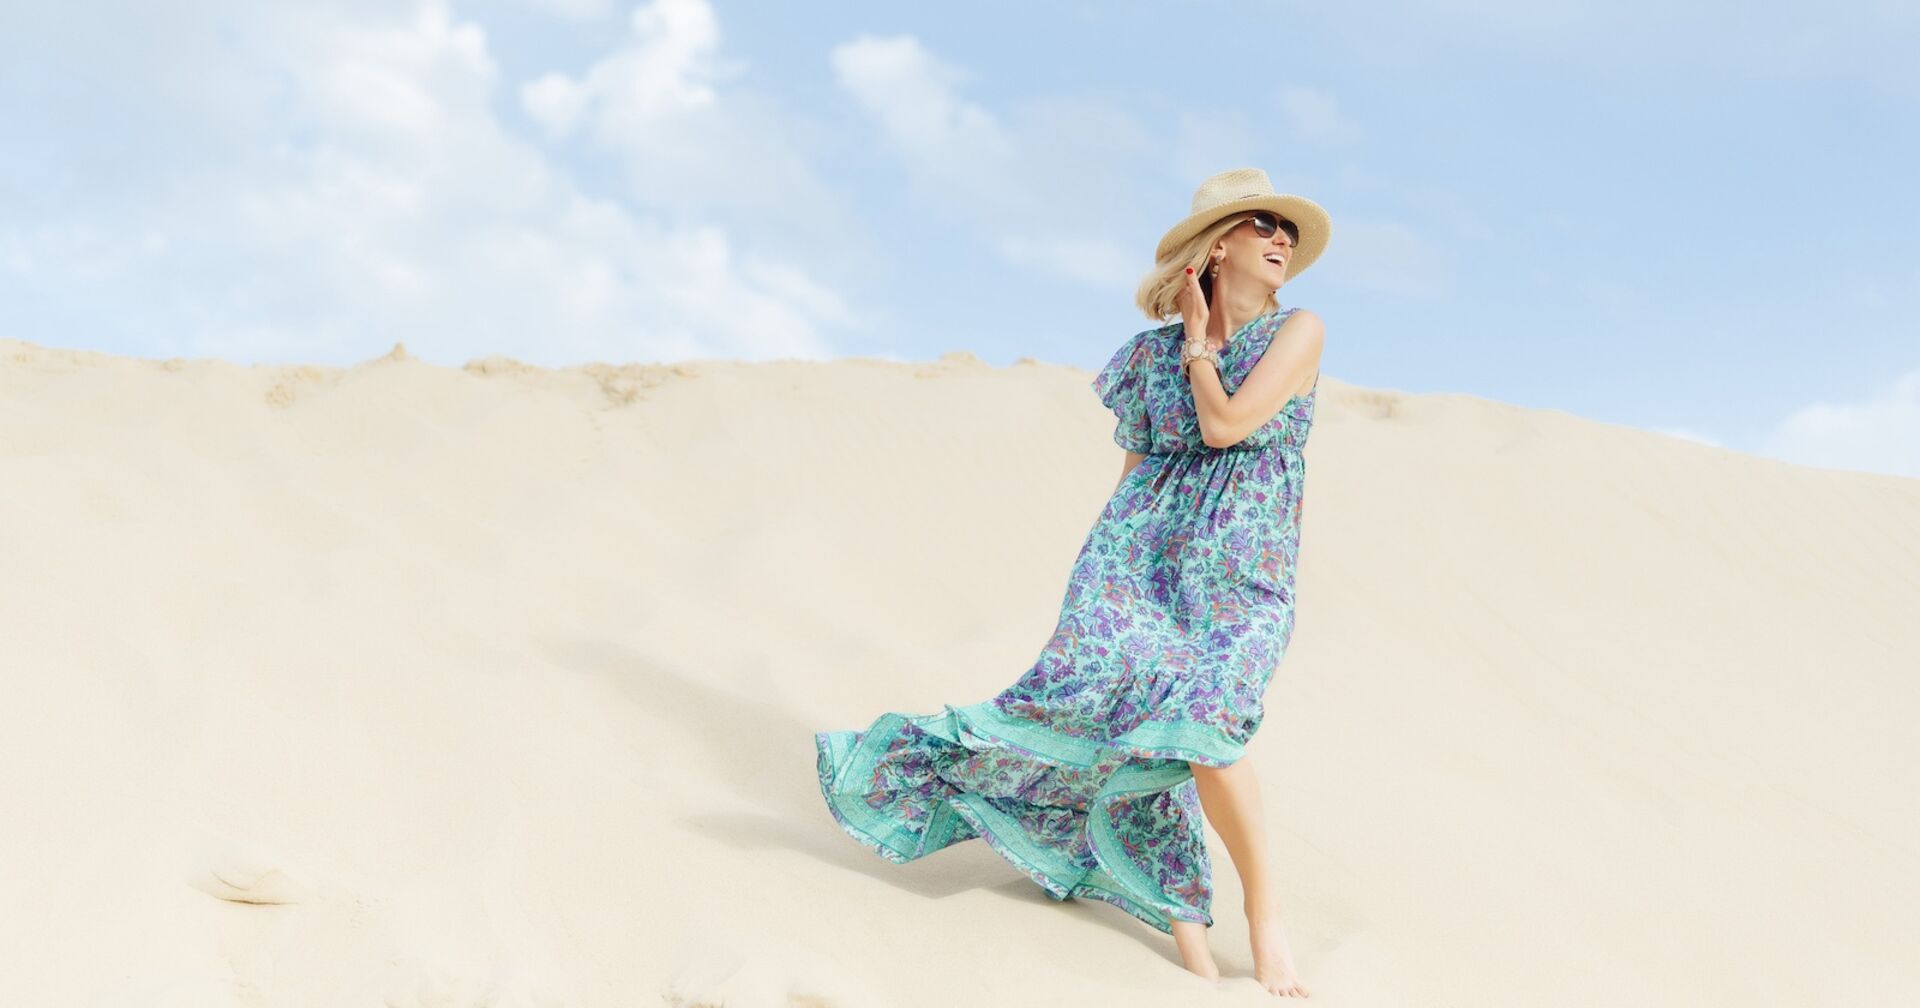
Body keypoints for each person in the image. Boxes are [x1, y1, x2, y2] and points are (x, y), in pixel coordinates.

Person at [813, 167, 1329, 997]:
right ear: (1218, 241)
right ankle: (1193, 944)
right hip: (1138, 565)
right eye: (1262, 223)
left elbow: (1225, 424)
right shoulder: (1146, 360)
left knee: (1206, 727)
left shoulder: (1298, 331)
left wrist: (1200, 344)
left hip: (1243, 575)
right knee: (1131, 728)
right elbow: (1136, 474)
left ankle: (1266, 924)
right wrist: (1110, 582)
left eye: (1288, 231)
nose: (1282, 239)